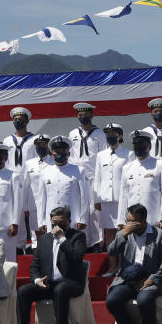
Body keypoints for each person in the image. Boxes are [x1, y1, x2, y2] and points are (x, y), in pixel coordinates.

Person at [5, 206, 87, 324]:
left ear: (69, 221)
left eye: (61, 223)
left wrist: (62, 238)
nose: (57, 226)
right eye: (54, 223)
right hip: (49, 283)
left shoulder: (77, 236)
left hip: (71, 283)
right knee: (24, 291)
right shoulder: (44, 239)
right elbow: (34, 266)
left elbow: (77, 257)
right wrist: (37, 280)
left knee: (60, 290)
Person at [105, 204, 162, 324]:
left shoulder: (159, 234)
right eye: (127, 220)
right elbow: (111, 252)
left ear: (142, 220)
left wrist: (153, 279)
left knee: (144, 299)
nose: (129, 224)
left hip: (149, 279)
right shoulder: (124, 234)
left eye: (132, 221)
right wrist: (123, 235)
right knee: (112, 300)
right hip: (128, 279)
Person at [118, 131, 162, 231]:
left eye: (142, 145)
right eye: (136, 145)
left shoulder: (160, 165)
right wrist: (121, 220)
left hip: (152, 219)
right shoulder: (127, 168)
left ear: (149, 147)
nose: (139, 148)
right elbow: (124, 196)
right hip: (132, 220)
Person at [68, 103, 105, 248]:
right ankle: (81, 241)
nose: (83, 117)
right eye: (80, 115)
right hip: (78, 177)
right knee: (79, 209)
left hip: (94, 176)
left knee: (94, 211)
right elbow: (70, 156)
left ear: (92, 115)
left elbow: (102, 157)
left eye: (85, 115)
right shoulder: (73, 134)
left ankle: (96, 242)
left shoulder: (99, 134)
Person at [40, 136, 90, 230]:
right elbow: (42, 199)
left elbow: (85, 198)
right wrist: (41, 221)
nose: (60, 154)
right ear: (51, 154)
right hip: (51, 219)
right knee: (53, 244)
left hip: (72, 218)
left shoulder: (79, 170)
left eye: (63, 151)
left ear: (69, 153)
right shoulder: (45, 172)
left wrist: (83, 219)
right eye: (57, 152)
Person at [94, 123, 128, 245]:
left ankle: (122, 262)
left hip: (122, 199)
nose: (110, 137)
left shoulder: (128, 154)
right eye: (108, 134)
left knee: (123, 230)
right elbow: (98, 178)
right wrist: (97, 200)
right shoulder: (100, 155)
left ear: (120, 136)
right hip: (106, 199)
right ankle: (113, 263)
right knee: (109, 232)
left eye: (113, 134)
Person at [20, 134, 53, 247]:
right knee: (38, 234)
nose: (40, 147)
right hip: (34, 204)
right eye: (37, 145)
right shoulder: (29, 163)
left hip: (50, 203)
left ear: (48, 145)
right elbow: (25, 185)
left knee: (51, 233)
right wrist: (25, 206)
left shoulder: (54, 162)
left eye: (43, 144)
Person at [3, 107, 36, 173]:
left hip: (29, 176)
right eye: (15, 119)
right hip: (11, 177)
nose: (17, 121)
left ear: (27, 121)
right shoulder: (7, 140)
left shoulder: (34, 139)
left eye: (20, 119)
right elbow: (5, 161)